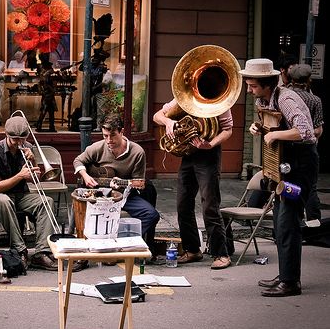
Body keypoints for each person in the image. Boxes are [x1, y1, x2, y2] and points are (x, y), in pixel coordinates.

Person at [243, 58, 318, 297]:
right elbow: (271, 127)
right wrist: (257, 128)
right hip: (284, 166)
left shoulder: (286, 98)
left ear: (267, 84)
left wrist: (275, 137)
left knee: (288, 222)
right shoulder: (264, 99)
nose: (249, 90)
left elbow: (306, 132)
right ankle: (285, 273)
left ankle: (290, 282)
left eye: (253, 85)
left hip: (300, 166)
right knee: (279, 221)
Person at [153, 93, 233, 270]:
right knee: (183, 203)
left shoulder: (220, 101)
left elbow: (228, 129)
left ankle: (222, 254)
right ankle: (192, 249)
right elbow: (156, 116)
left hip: (209, 154)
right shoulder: (185, 97)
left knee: (209, 205)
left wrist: (211, 143)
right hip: (189, 154)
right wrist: (168, 122)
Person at [73, 114, 160, 260]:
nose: (109, 140)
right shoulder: (98, 147)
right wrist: (86, 176)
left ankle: (124, 246)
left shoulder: (137, 152)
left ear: (122, 131)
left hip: (125, 195)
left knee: (151, 215)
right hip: (99, 195)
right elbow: (78, 160)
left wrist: (123, 183)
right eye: (105, 136)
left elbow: (139, 182)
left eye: (112, 135)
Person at [0, 115, 59, 271]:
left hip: (20, 194)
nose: (19, 144)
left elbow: (36, 181)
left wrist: (33, 161)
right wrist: (19, 176)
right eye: (15, 140)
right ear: (6, 135)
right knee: (4, 201)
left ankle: (41, 253)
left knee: (46, 201)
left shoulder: (27, 147)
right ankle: (19, 250)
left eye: (22, 139)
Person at [286, 63, 323, 225]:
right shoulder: (315, 100)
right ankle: (314, 224)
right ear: (308, 80)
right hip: (307, 149)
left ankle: (294, 220)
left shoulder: (283, 97)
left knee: (289, 184)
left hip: (287, 148)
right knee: (310, 186)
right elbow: (318, 129)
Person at [35, 59, 57, 132]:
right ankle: (43, 126)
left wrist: (42, 90)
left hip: (48, 94)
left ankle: (48, 126)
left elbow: (40, 84)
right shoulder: (47, 74)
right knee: (46, 111)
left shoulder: (45, 74)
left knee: (48, 111)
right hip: (48, 94)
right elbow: (41, 84)